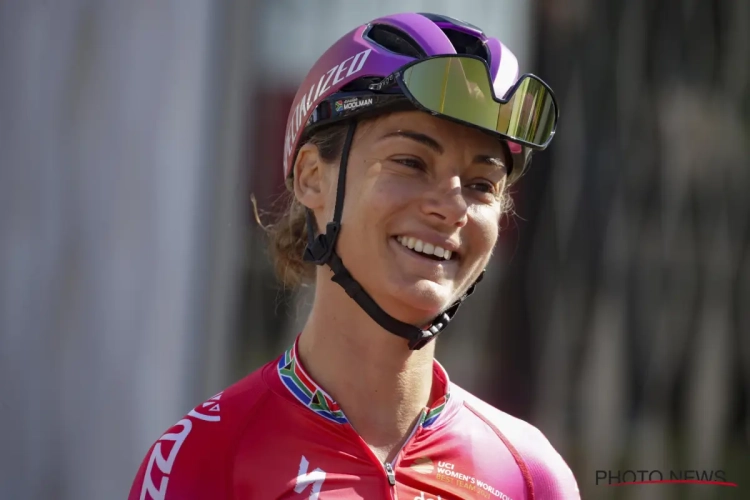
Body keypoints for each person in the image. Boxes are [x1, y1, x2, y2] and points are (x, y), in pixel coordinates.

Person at [129, 12, 579, 500]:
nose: (452, 208)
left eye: (481, 185)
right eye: (410, 162)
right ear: (311, 177)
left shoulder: (531, 477)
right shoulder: (205, 457)